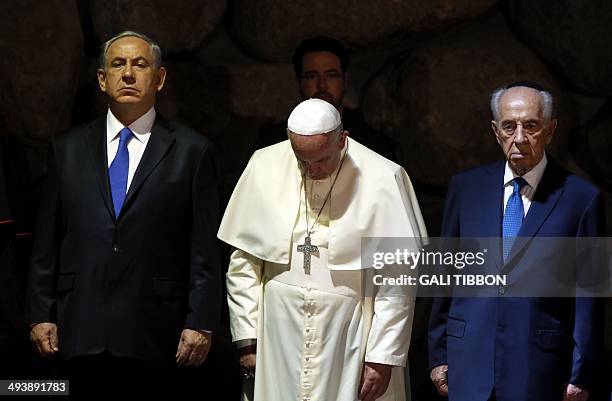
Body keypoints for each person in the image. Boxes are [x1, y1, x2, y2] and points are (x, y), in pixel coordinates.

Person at [26, 31, 220, 398]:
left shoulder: (192, 152)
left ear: (159, 79)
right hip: (78, 325)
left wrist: (202, 322)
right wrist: (40, 312)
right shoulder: (66, 149)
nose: (128, 73)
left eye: (140, 64)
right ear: (102, 79)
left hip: (156, 331)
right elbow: (46, 242)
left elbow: (204, 248)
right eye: (117, 64)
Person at [219, 98, 428, 401]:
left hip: (350, 337)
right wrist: (247, 339)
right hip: (278, 336)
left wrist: (382, 355)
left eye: (321, 160)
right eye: (302, 161)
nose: (312, 170)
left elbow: (398, 279)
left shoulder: (384, 176)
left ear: (342, 139)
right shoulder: (264, 165)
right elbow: (244, 263)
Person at [428, 82, 605, 401]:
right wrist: (438, 354)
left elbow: (589, 297)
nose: (520, 137)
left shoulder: (582, 199)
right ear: (496, 131)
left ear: (550, 130)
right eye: (509, 126)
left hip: (541, 370)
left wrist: (581, 373)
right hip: (468, 363)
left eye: (531, 126)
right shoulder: (465, 189)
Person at [254, 36, 398, 161]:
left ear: (345, 80)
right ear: (299, 82)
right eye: (312, 76)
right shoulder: (273, 142)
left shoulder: (373, 144)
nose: (322, 85)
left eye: (331, 75)